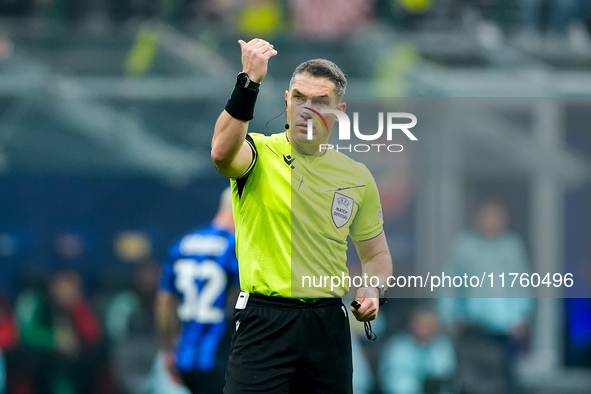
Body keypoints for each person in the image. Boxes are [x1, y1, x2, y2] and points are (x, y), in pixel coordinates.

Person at [211, 38, 393, 393]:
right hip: (264, 321)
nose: (307, 109)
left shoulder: (356, 176)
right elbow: (220, 153)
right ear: (286, 101)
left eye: (320, 102)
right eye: (299, 98)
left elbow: (376, 255)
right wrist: (248, 82)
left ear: (339, 110)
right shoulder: (259, 154)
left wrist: (373, 287)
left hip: (327, 325)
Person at [439, 196, 533, 394]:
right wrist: (449, 315)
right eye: (487, 216)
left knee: (505, 380)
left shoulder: (512, 245)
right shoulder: (463, 245)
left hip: (505, 328)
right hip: (472, 326)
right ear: (478, 217)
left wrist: (522, 315)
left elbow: (521, 282)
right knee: (472, 379)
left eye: (497, 217)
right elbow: (449, 281)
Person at [156, 187, 239, 394]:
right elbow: (239, 299)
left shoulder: (182, 244)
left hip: (184, 357)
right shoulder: (235, 246)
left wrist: (168, 349)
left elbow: (164, 302)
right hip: (221, 357)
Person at [380, 306, 456, 394]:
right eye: (424, 323)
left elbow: (445, 375)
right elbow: (394, 382)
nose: (428, 328)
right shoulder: (398, 347)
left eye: (431, 324)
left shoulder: (443, 345)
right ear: (412, 324)